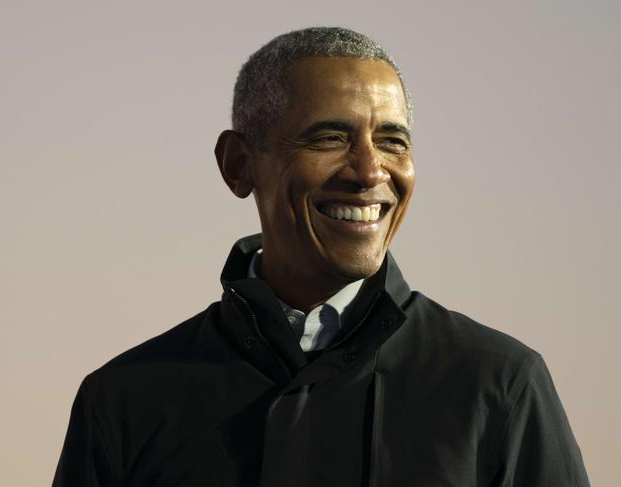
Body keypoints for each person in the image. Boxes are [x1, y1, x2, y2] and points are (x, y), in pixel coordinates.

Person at [53, 27, 590, 486]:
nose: (370, 171)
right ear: (239, 165)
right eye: (330, 137)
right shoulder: (124, 400)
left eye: (393, 141)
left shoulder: (499, 384)